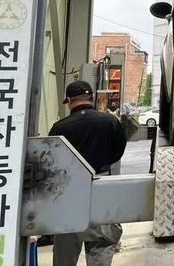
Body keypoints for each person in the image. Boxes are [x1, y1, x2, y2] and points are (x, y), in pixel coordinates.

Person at [49, 80, 127, 266]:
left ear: (69, 101)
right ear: (92, 98)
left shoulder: (59, 128)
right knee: (101, 245)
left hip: (68, 194)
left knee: (65, 253)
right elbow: (117, 152)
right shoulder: (110, 122)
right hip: (101, 190)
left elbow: (51, 160)